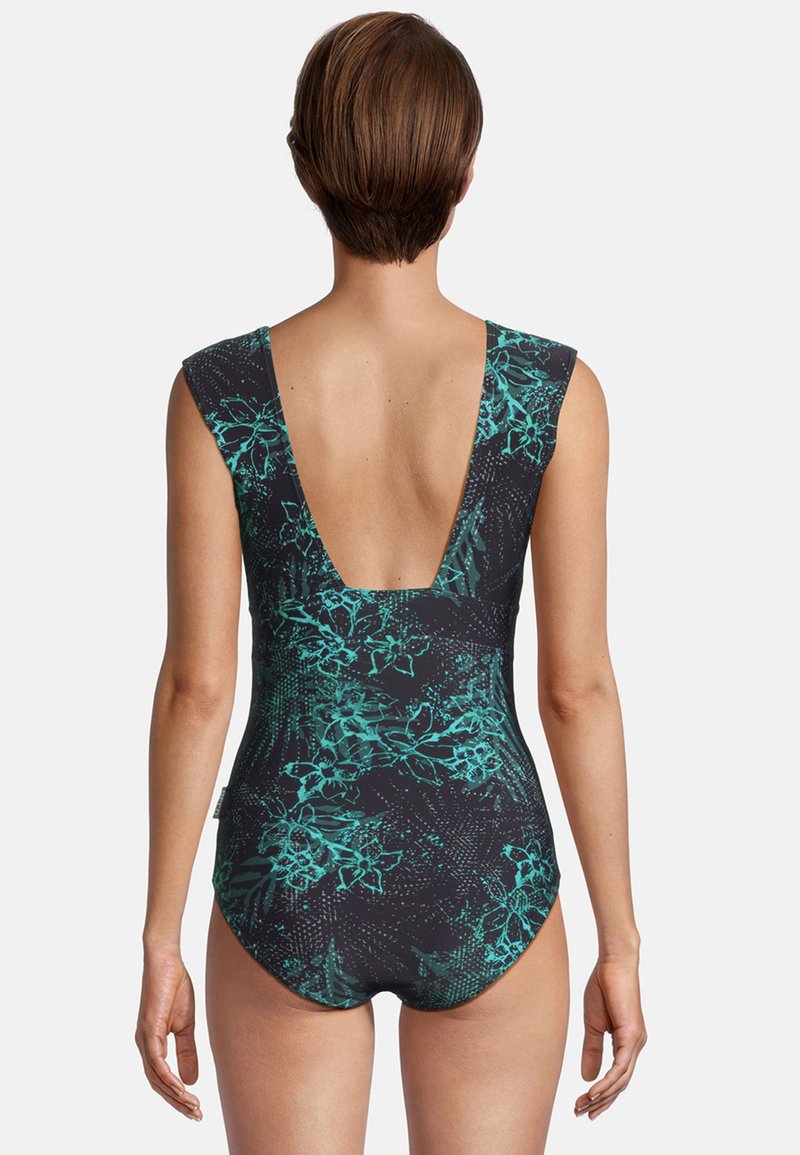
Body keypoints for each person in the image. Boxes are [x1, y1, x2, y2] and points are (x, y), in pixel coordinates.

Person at [135, 11, 646, 1153]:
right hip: (484, 867)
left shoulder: (217, 394)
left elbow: (196, 688)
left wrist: (160, 934)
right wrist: (619, 938)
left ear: (305, 166)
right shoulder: (553, 396)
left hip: (288, 868)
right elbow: (577, 692)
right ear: (463, 173)